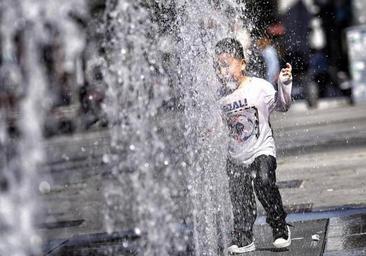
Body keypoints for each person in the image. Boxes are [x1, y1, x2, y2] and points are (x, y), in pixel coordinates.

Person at [213, 38, 293, 254]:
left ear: (243, 64)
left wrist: (284, 84)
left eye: (227, 64)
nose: (223, 71)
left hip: (261, 149)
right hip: (236, 154)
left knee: (264, 181)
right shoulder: (220, 97)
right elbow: (218, 126)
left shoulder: (260, 87)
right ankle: (244, 237)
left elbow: (283, 106)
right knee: (239, 197)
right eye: (218, 66)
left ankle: (280, 227)